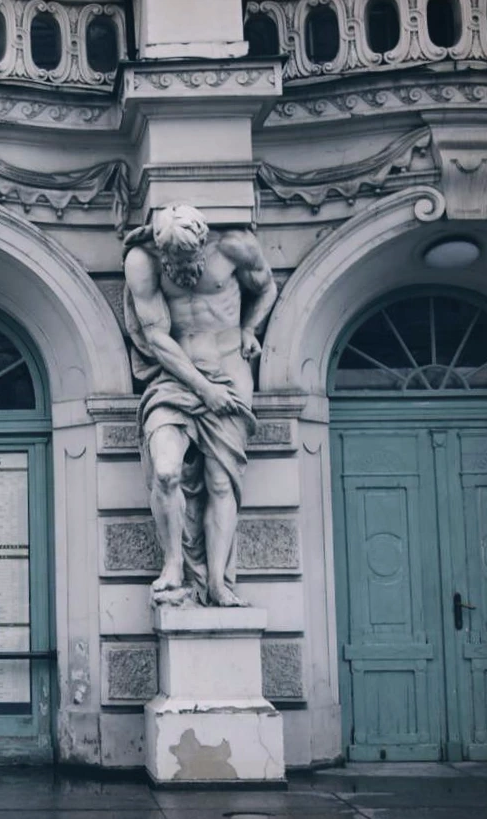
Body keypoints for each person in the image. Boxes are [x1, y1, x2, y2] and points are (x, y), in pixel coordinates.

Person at [122, 205, 278, 607]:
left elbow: (267, 288)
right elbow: (157, 338)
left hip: (229, 372)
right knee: (166, 471)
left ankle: (218, 584)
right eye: (174, 261)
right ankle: (173, 564)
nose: (182, 268)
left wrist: (249, 328)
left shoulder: (235, 246)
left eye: (190, 258)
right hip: (176, 377)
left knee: (221, 483)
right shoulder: (142, 261)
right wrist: (204, 389)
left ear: (204, 242)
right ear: (161, 250)